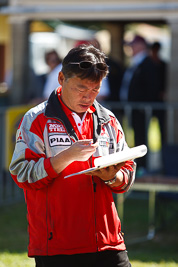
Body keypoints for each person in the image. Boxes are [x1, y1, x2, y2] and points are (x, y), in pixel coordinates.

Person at [9, 44, 136, 267]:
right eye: (81, 88)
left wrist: (112, 177)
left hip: (108, 242)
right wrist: (65, 157)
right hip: (58, 246)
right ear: (61, 78)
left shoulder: (108, 119)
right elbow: (21, 174)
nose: (88, 97)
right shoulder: (36, 119)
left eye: (95, 89)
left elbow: (127, 169)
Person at [119, 35, 159, 168]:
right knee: (132, 137)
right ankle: (135, 165)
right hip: (131, 108)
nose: (131, 48)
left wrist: (144, 104)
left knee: (141, 138)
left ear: (141, 46)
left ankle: (142, 166)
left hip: (140, 109)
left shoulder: (147, 63)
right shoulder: (136, 62)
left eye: (134, 45)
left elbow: (152, 86)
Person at [150, 41, 167, 144]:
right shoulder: (148, 65)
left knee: (163, 129)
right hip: (149, 100)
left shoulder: (163, 65)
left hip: (160, 101)